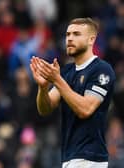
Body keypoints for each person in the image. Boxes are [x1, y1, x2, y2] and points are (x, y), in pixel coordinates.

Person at [30, 17, 116, 168]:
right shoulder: (67, 72)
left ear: (91, 40)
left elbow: (85, 109)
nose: (69, 38)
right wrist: (43, 87)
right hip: (70, 156)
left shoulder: (102, 70)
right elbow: (45, 108)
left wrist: (57, 80)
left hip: (90, 158)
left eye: (76, 34)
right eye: (68, 34)